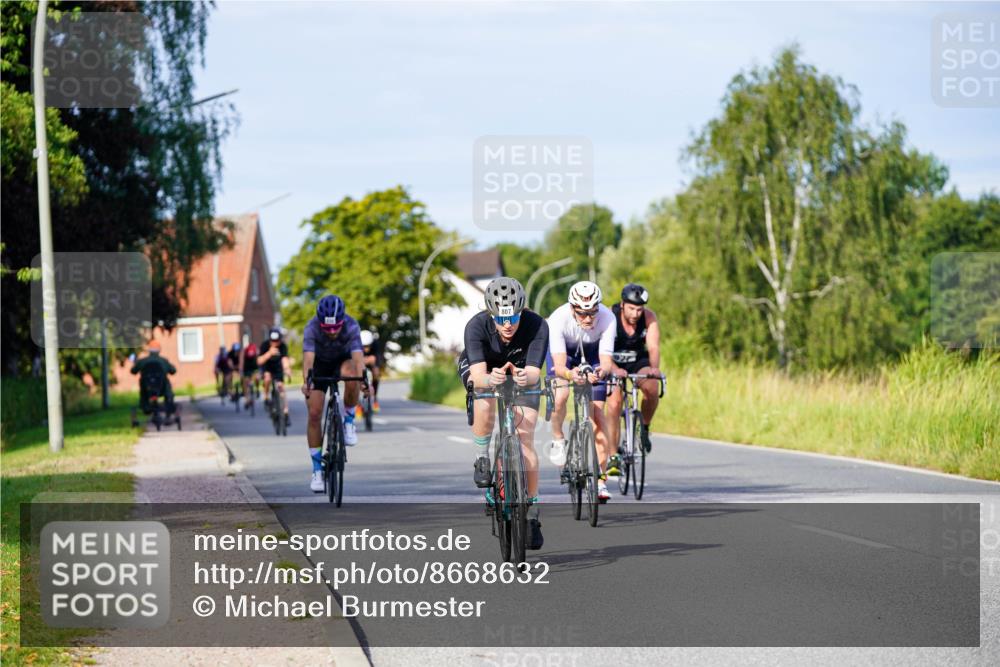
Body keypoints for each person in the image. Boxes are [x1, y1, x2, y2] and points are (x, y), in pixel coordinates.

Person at [457, 277, 548, 550]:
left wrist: (523, 376)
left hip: (521, 372)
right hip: (485, 370)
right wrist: (489, 378)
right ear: (490, 313)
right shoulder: (476, 326)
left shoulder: (537, 325)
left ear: (523, 310)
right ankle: (483, 457)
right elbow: (477, 375)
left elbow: (534, 372)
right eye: (500, 318)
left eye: (513, 317)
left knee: (525, 436)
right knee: (484, 401)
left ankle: (531, 511)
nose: (507, 325)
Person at [546, 280, 617, 502]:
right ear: (572, 308)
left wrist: (601, 373)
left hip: (593, 355)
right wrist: (570, 374)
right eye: (582, 313)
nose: (588, 318)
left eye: (592, 312)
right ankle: (558, 438)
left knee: (597, 415)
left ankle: (600, 481)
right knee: (561, 396)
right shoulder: (558, 319)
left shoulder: (608, 318)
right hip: (565, 356)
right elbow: (558, 365)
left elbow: (606, 361)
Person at [301, 295, 365, 493]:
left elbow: (358, 357)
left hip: (342, 362)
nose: (332, 332)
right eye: (327, 328)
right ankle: (317, 470)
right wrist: (307, 383)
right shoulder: (311, 328)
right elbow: (308, 360)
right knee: (314, 413)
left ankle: (348, 420)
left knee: (353, 375)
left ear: (342, 320)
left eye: (335, 327)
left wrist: (363, 382)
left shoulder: (351, 326)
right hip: (320, 366)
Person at [606, 283, 663, 459]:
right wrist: (614, 370)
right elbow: (603, 350)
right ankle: (613, 454)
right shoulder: (609, 316)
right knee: (614, 403)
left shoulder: (648, 318)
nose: (635, 314)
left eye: (639, 310)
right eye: (631, 309)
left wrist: (654, 369)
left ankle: (644, 427)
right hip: (613, 361)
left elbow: (653, 347)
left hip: (637, 360)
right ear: (622, 304)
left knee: (652, 387)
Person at [131, 340, 177, 415]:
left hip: (147, 389)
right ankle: (169, 402)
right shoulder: (164, 361)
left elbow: (133, 371)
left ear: (149, 350)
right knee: (166, 382)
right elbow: (173, 371)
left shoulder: (142, 361)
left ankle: (145, 406)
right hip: (162, 388)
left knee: (143, 382)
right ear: (159, 350)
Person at [258, 328, 291, 426]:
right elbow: (259, 361)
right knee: (267, 378)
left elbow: (284, 359)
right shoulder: (264, 345)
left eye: (277, 341)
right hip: (267, 367)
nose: (275, 343)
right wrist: (269, 354)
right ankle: (266, 397)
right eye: (273, 341)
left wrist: (287, 369)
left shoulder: (283, 346)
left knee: (281, 387)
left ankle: (285, 412)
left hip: (278, 369)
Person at [359, 330, 384, 414]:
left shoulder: (376, 344)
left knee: (376, 374)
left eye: (368, 346)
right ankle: (358, 404)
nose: (366, 349)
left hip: (372, 363)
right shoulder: (356, 345)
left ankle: (375, 399)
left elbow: (379, 357)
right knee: (355, 378)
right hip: (360, 363)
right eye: (364, 346)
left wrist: (377, 366)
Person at [241, 338, 259, 407]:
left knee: (256, 378)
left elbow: (258, 360)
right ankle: (247, 399)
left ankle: (256, 389)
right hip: (247, 368)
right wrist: (241, 370)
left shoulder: (255, 350)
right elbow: (242, 362)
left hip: (254, 368)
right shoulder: (244, 351)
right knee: (246, 382)